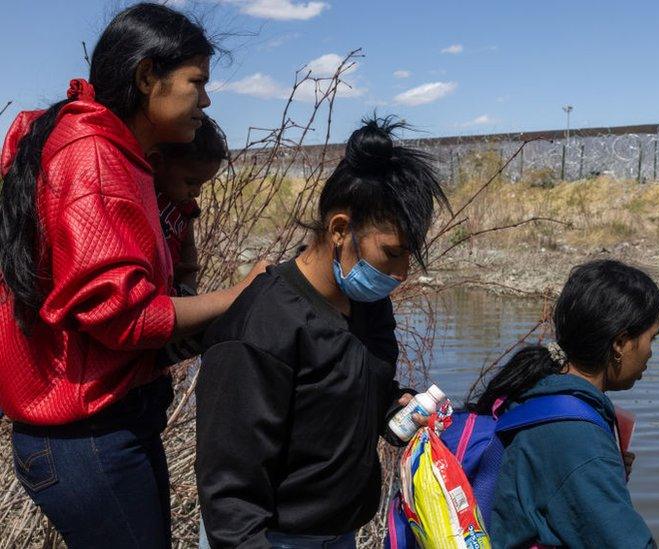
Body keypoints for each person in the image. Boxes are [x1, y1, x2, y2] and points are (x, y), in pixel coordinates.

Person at [0, 4, 265, 547]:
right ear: (148, 76)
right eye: (197, 82)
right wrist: (241, 294)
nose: (206, 100)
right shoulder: (93, 159)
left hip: (95, 430)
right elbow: (126, 317)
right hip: (85, 436)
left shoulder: (117, 152)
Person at [195, 116, 449, 548]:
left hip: (338, 534)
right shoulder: (260, 327)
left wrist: (392, 409)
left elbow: (342, 392)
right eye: (392, 253)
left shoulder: (369, 306)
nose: (402, 273)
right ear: (339, 229)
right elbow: (229, 490)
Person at [486, 259, 659, 548]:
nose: (651, 353)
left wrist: (606, 478)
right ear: (620, 343)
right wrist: (597, 470)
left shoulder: (535, 390)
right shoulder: (578, 440)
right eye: (651, 339)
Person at [150, 115, 229, 366]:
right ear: (157, 164)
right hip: (153, 293)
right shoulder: (146, 197)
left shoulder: (185, 208)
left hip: (175, 286)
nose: (195, 192)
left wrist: (189, 280)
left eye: (202, 185)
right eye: (191, 182)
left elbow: (188, 245)